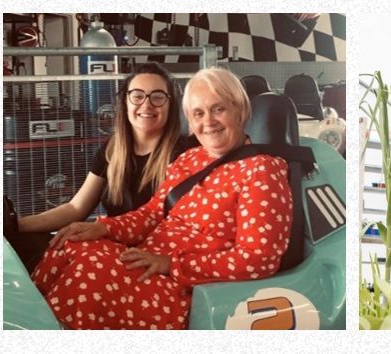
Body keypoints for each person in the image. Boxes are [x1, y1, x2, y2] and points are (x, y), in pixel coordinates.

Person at [31, 68, 296, 329]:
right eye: (198, 113)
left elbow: (258, 259)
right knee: (71, 243)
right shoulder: (190, 159)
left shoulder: (261, 170)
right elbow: (152, 214)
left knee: (91, 270)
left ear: (240, 110)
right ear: (190, 121)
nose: (208, 122)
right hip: (149, 262)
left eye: (219, 109)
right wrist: (103, 227)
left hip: (184, 284)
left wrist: (172, 264)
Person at [10, 63, 186, 268]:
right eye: (138, 96)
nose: (146, 105)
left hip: (152, 254)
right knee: (23, 245)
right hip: (114, 246)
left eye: (157, 97)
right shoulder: (112, 150)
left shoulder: (183, 154)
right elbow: (76, 208)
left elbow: (171, 222)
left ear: (171, 105)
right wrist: (15, 226)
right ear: (125, 102)